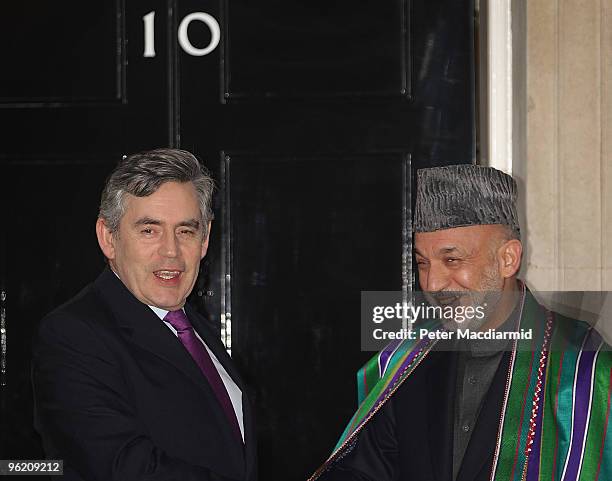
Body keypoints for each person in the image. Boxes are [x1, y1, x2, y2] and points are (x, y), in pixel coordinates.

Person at [311, 165, 612, 481]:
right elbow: (364, 470)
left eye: (452, 260)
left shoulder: (584, 373)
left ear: (508, 259)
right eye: (422, 263)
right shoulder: (407, 361)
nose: (433, 283)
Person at [32, 149, 256, 480]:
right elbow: (122, 468)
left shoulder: (192, 328)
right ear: (109, 238)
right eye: (149, 230)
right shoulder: (73, 335)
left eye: (185, 231)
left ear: (205, 239)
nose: (171, 251)